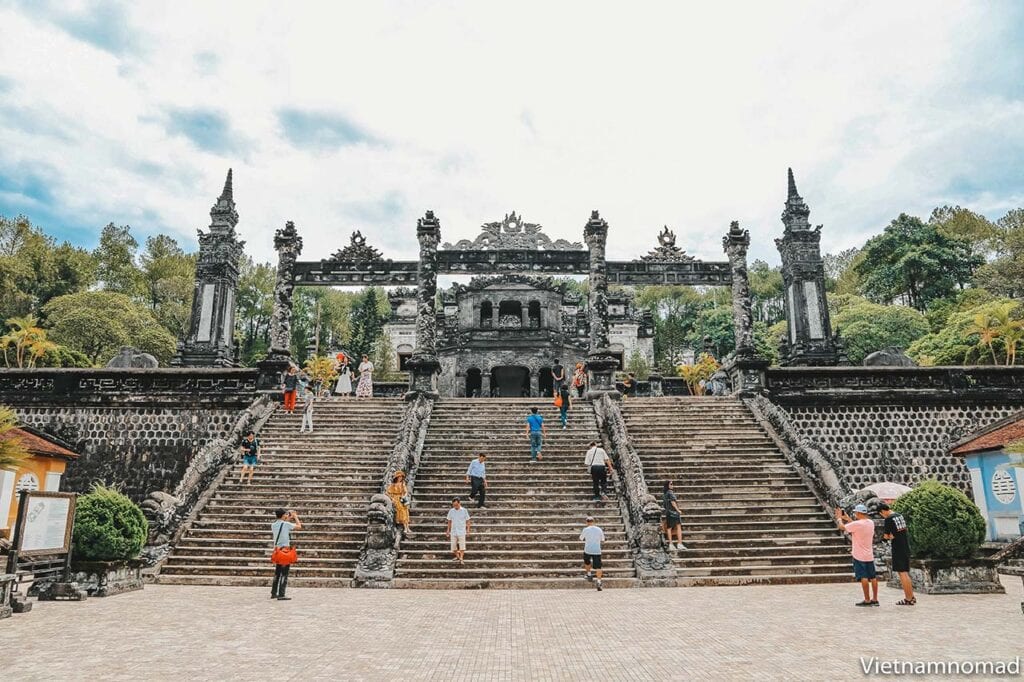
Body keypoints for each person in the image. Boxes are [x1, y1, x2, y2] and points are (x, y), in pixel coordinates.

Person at [835, 504, 879, 607]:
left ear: (859, 513)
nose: (855, 514)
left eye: (855, 513)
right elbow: (856, 526)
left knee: (863, 577)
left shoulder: (857, 524)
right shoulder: (870, 523)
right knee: (873, 577)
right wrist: (848, 519)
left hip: (859, 555)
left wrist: (839, 519)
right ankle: (875, 599)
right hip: (869, 555)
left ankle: (867, 599)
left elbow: (842, 527)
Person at [879, 502, 915, 606]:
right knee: (905, 573)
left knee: (902, 573)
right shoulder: (900, 515)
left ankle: (908, 598)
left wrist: (887, 537)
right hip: (905, 545)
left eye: (881, 514)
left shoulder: (889, 519)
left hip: (898, 547)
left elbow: (886, 536)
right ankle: (911, 596)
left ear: (882, 511)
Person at [271, 508, 302, 600]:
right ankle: (281, 594)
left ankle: (273, 592)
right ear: (283, 515)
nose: (286, 515)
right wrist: (295, 517)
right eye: (285, 514)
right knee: (284, 573)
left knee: (277, 572)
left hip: (277, 551)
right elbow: (299, 526)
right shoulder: (286, 524)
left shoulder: (273, 525)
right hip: (285, 551)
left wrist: (288, 517)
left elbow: (283, 524)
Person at [580, 515, 606, 591]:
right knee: (598, 567)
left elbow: (581, 538)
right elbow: (603, 540)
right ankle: (599, 582)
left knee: (587, 562)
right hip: (597, 550)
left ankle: (589, 575)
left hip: (588, 549)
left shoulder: (585, 529)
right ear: (593, 522)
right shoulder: (599, 529)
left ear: (586, 522)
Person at [662, 481, 687, 550]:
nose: (672, 485)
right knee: (678, 527)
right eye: (671, 484)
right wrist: (678, 510)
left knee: (669, 528)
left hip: (668, 512)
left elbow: (664, 504)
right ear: (668, 485)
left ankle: (670, 544)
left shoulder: (664, 494)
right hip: (674, 512)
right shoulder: (670, 492)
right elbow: (673, 502)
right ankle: (679, 543)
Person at [446, 498, 471, 565]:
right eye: (454, 505)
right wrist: (448, 530)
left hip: (462, 530)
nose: (455, 506)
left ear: (459, 503)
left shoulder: (464, 510)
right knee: (453, 546)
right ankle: (458, 557)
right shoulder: (451, 511)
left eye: (456, 505)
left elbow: (468, 521)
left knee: (462, 545)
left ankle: (461, 558)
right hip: (453, 530)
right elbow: (449, 521)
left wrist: (468, 530)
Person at [386, 471, 412, 536]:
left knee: (405, 511)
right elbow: (387, 492)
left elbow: (405, 492)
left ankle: (407, 527)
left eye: (401, 477)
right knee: (401, 512)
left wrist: (404, 496)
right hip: (396, 499)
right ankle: (405, 527)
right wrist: (392, 498)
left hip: (402, 499)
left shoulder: (403, 484)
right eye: (399, 477)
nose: (400, 478)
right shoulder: (393, 485)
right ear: (396, 477)